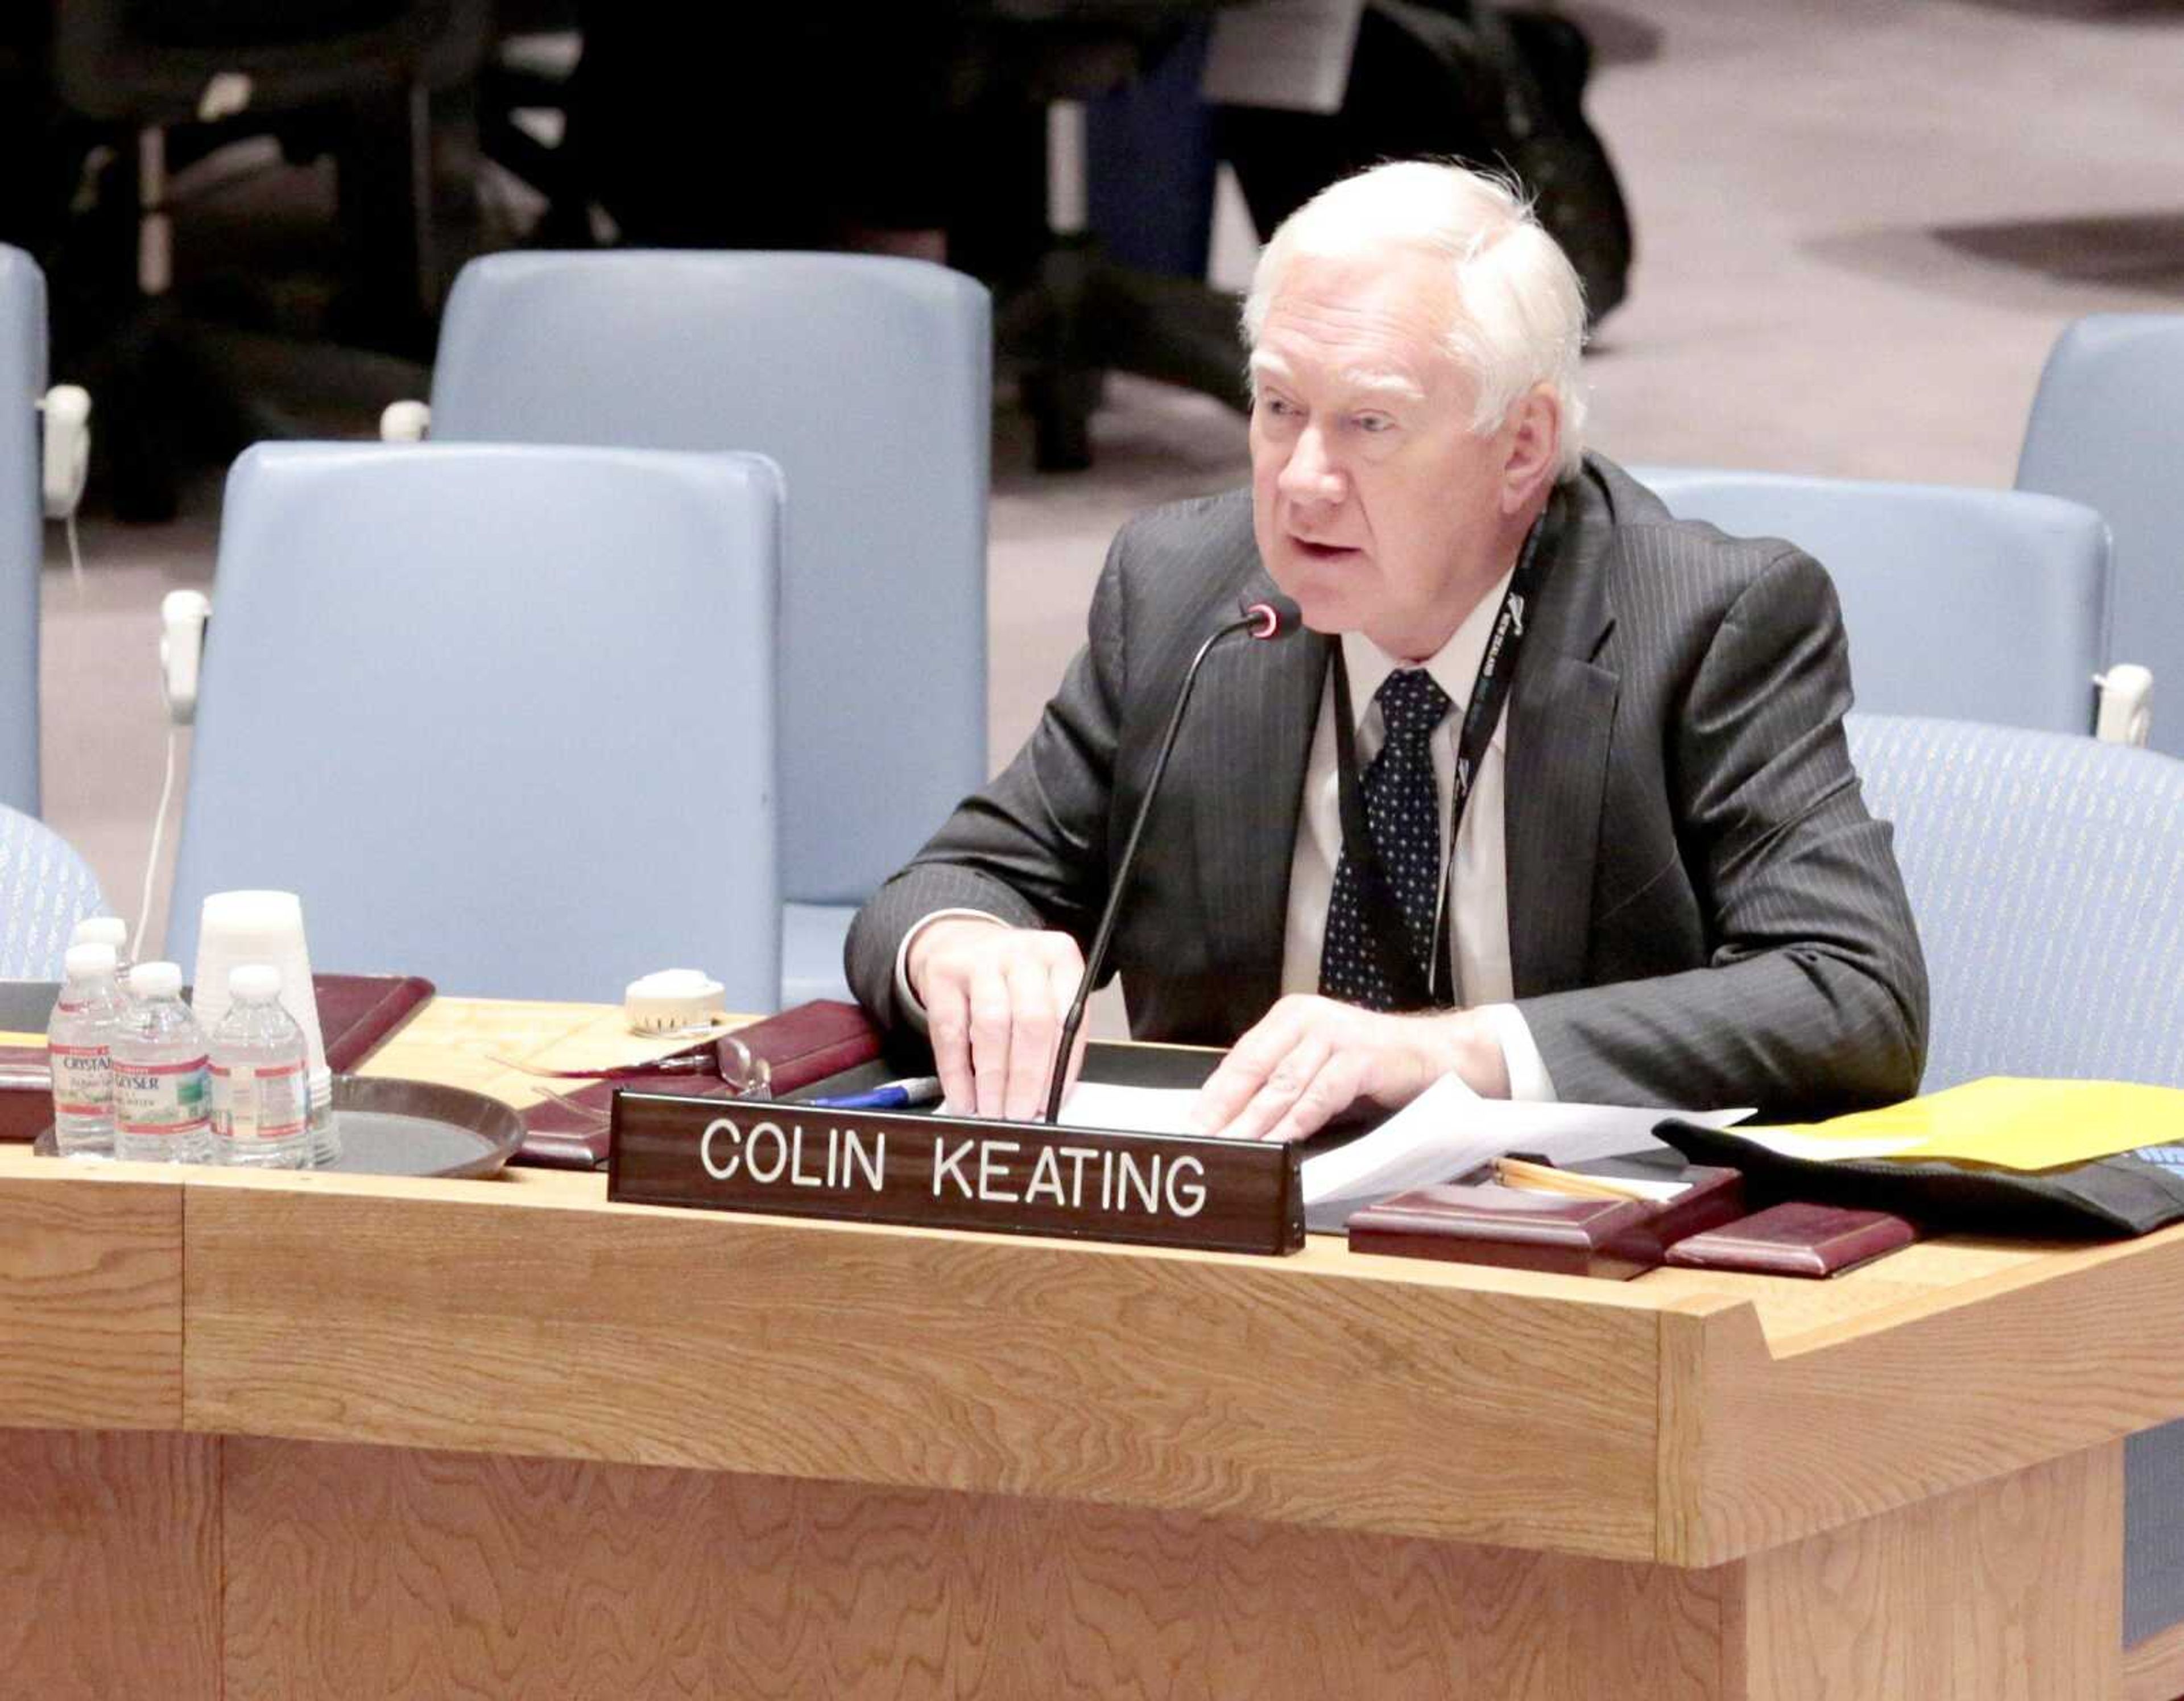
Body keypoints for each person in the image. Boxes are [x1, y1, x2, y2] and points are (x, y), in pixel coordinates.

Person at [845, 159, 1927, 1140]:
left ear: (1522, 448)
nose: (1304, 478)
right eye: (1278, 408)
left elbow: (1852, 990)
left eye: (1370, 425)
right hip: (1239, 1251)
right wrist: (961, 950)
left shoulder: (1701, 625)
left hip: (1568, 1257)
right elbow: (955, 881)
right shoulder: (1184, 592)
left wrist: (1444, 1054)